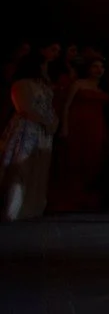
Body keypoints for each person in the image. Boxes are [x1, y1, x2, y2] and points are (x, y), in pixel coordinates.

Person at [0, 42, 61, 221]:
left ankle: (31, 207)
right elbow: (24, 107)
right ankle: (13, 208)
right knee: (21, 168)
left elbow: (48, 105)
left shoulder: (43, 86)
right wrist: (45, 121)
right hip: (27, 129)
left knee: (38, 168)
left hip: (43, 131)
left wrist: (53, 122)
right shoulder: (22, 84)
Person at [47, 57, 109, 212]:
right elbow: (66, 105)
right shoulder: (78, 83)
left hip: (96, 124)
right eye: (95, 66)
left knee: (92, 158)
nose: (99, 70)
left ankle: (86, 197)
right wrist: (65, 126)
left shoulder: (104, 87)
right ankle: (70, 196)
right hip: (78, 123)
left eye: (101, 66)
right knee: (74, 156)